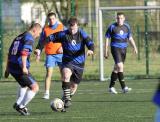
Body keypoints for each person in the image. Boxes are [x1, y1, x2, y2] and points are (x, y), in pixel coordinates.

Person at [45, 17, 94, 108]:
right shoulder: (63, 34)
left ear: (77, 26)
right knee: (66, 75)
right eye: (70, 29)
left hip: (79, 63)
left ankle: (64, 99)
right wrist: (39, 48)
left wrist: (91, 50)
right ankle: (67, 100)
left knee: (74, 86)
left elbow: (90, 43)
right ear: (68, 27)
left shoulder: (82, 33)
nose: (72, 31)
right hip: (67, 61)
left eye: (74, 28)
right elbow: (49, 38)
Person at [4, 23, 42, 115]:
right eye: (39, 33)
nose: (38, 36)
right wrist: (24, 67)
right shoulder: (29, 38)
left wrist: (7, 68)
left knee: (24, 85)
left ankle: (18, 103)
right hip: (19, 67)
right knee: (35, 87)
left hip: (12, 67)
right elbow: (24, 53)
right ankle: (21, 107)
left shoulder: (19, 37)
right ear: (34, 30)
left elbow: (10, 53)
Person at [104, 12, 138, 94]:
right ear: (116, 19)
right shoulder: (112, 27)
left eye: (121, 18)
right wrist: (106, 50)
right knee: (120, 66)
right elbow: (107, 38)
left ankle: (111, 87)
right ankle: (124, 87)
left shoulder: (127, 27)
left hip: (124, 49)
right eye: (118, 18)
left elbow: (129, 37)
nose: (119, 20)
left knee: (116, 68)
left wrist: (134, 47)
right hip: (115, 48)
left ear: (124, 18)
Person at [34, 12, 64, 100]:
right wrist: (38, 50)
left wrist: (63, 47)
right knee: (48, 74)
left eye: (53, 19)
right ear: (48, 20)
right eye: (50, 19)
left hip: (60, 54)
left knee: (63, 74)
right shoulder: (45, 29)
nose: (51, 20)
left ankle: (64, 91)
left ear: (56, 19)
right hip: (50, 54)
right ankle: (47, 93)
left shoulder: (61, 27)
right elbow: (41, 41)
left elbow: (67, 38)